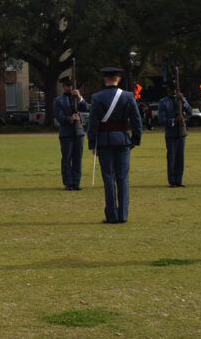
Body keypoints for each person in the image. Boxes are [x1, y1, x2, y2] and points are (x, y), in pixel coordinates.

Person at [86, 66, 143, 223]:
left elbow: (92, 123)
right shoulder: (128, 96)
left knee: (109, 178)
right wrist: (135, 140)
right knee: (123, 178)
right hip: (123, 140)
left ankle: (111, 215)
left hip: (104, 141)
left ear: (105, 79)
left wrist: (93, 144)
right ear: (118, 79)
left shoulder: (97, 97)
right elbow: (137, 120)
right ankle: (123, 215)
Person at [53, 76, 88, 190]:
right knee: (67, 158)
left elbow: (87, 107)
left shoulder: (78, 98)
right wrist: (70, 118)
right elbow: (59, 117)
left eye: (71, 85)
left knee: (78, 158)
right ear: (63, 87)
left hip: (78, 132)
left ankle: (76, 182)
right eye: (68, 85)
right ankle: (68, 182)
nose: (70, 87)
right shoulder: (58, 100)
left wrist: (79, 97)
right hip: (66, 133)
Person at [158, 81, 187, 187]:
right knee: (172, 158)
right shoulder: (163, 102)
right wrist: (174, 120)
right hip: (171, 133)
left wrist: (183, 101)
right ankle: (172, 181)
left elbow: (190, 112)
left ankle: (179, 180)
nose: (175, 91)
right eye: (173, 89)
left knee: (180, 158)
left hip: (181, 132)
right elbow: (161, 120)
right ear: (169, 89)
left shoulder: (182, 100)